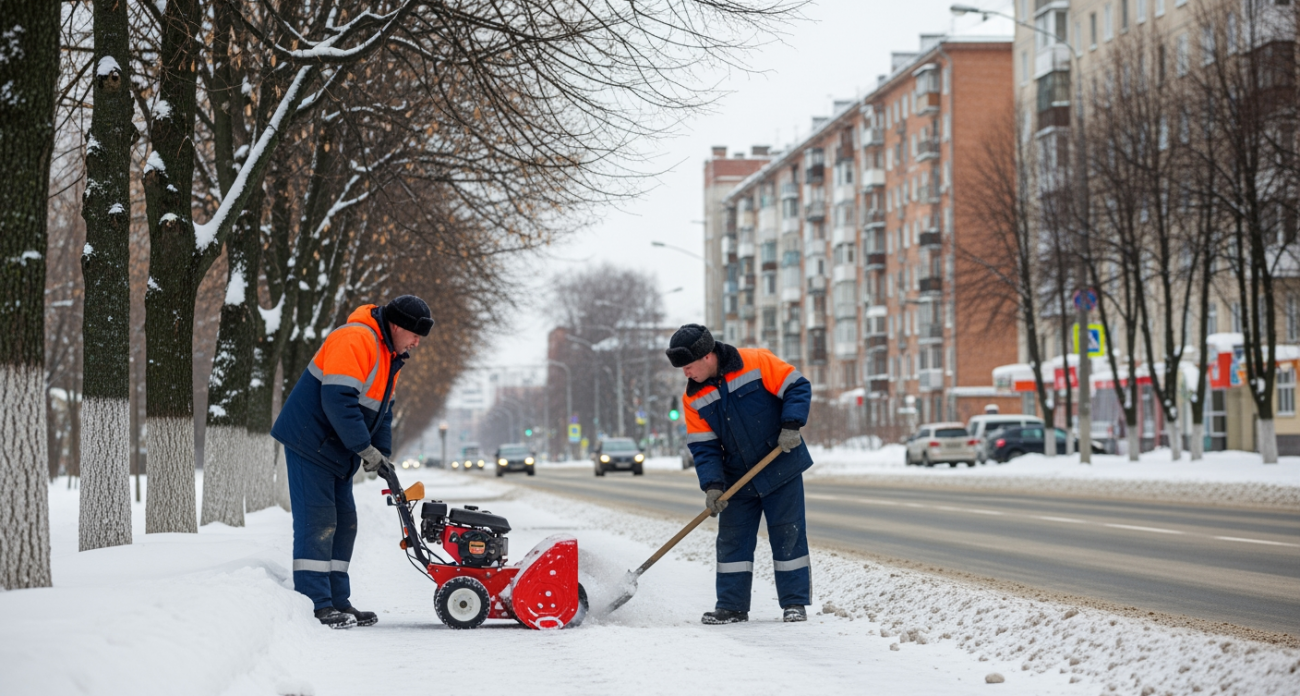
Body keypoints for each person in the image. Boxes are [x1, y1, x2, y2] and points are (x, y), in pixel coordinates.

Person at [271, 295, 433, 628]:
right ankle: (316, 603)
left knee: (345, 523)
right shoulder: (355, 338)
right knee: (318, 521)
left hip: (335, 448)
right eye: (415, 335)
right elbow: (338, 400)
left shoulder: (390, 357)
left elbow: (383, 412)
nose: (417, 343)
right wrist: (364, 449)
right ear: (397, 326)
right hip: (310, 441)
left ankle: (337, 601)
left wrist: (382, 454)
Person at [666, 323, 813, 624]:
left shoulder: (756, 361)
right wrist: (713, 486)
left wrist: (792, 424)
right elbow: (704, 447)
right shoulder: (693, 398)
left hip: (780, 466)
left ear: (707, 356)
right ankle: (732, 606)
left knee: (788, 535)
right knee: (733, 540)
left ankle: (794, 604)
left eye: (689, 366)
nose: (686, 374)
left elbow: (797, 386)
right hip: (737, 479)